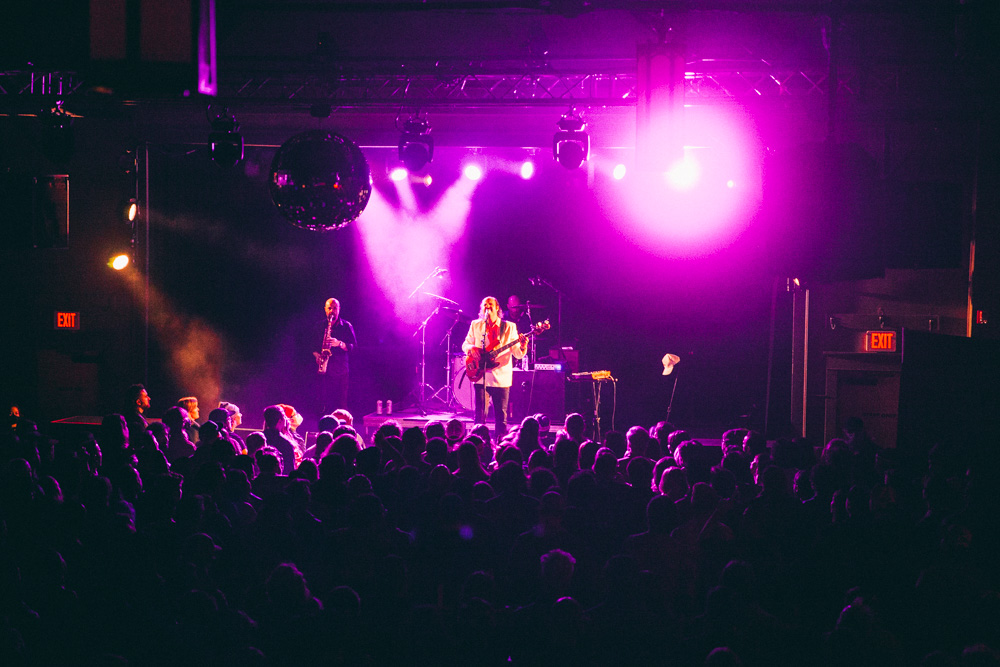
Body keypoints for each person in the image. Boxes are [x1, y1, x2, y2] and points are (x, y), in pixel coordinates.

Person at [462, 295, 527, 438]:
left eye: (490, 304)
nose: (487, 306)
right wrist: (472, 348)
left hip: (501, 378)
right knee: (479, 416)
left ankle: (500, 445)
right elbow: (465, 344)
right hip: (480, 375)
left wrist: (523, 345)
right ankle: (478, 444)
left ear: (497, 308)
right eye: (484, 304)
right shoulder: (476, 325)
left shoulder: (509, 327)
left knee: (501, 417)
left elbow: (517, 353)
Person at [315, 297, 357, 415]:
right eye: (329, 308)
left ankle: (343, 429)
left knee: (342, 405)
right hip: (324, 370)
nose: (332, 311)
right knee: (326, 404)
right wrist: (317, 355)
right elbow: (310, 346)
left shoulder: (346, 326)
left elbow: (354, 347)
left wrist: (339, 344)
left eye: (334, 308)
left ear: (339, 309)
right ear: (325, 310)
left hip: (341, 370)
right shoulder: (319, 326)